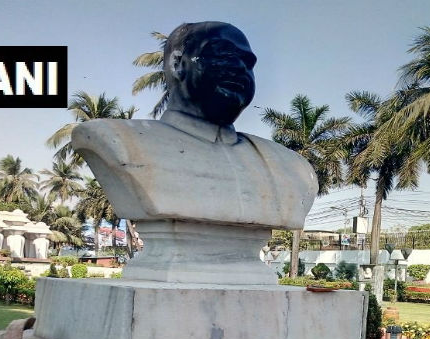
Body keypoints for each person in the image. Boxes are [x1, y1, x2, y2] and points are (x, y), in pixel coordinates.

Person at [70, 22, 317, 284]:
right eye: (224, 54)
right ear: (177, 64)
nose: (239, 68)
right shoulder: (116, 140)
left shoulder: (293, 168)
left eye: (248, 63)